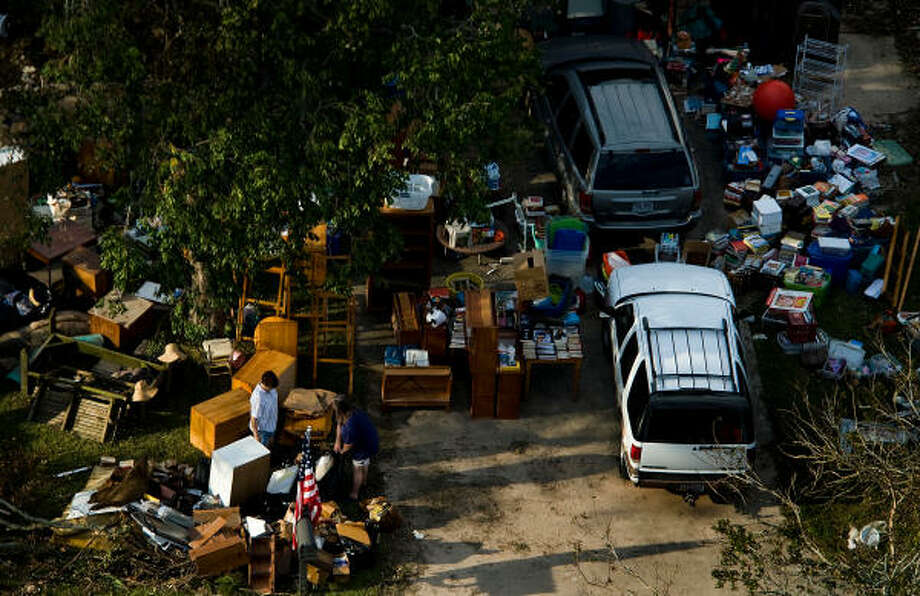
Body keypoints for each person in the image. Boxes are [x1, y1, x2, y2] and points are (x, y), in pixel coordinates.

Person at [332, 398, 379, 500]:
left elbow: (348, 446)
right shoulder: (354, 411)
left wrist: (341, 452)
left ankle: (355, 493)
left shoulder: (349, 428)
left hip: (363, 446)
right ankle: (364, 481)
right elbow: (339, 423)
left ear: (339, 412)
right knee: (365, 461)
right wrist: (337, 441)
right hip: (370, 438)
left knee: (357, 468)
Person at [249, 370, 279, 448]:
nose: (273, 389)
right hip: (262, 432)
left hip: (271, 427)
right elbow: (253, 419)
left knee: (270, 449)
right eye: (271, 387)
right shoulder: (258, 398)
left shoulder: (272, 389)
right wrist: (256, 436)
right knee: (263, 454)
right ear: (267, 385)